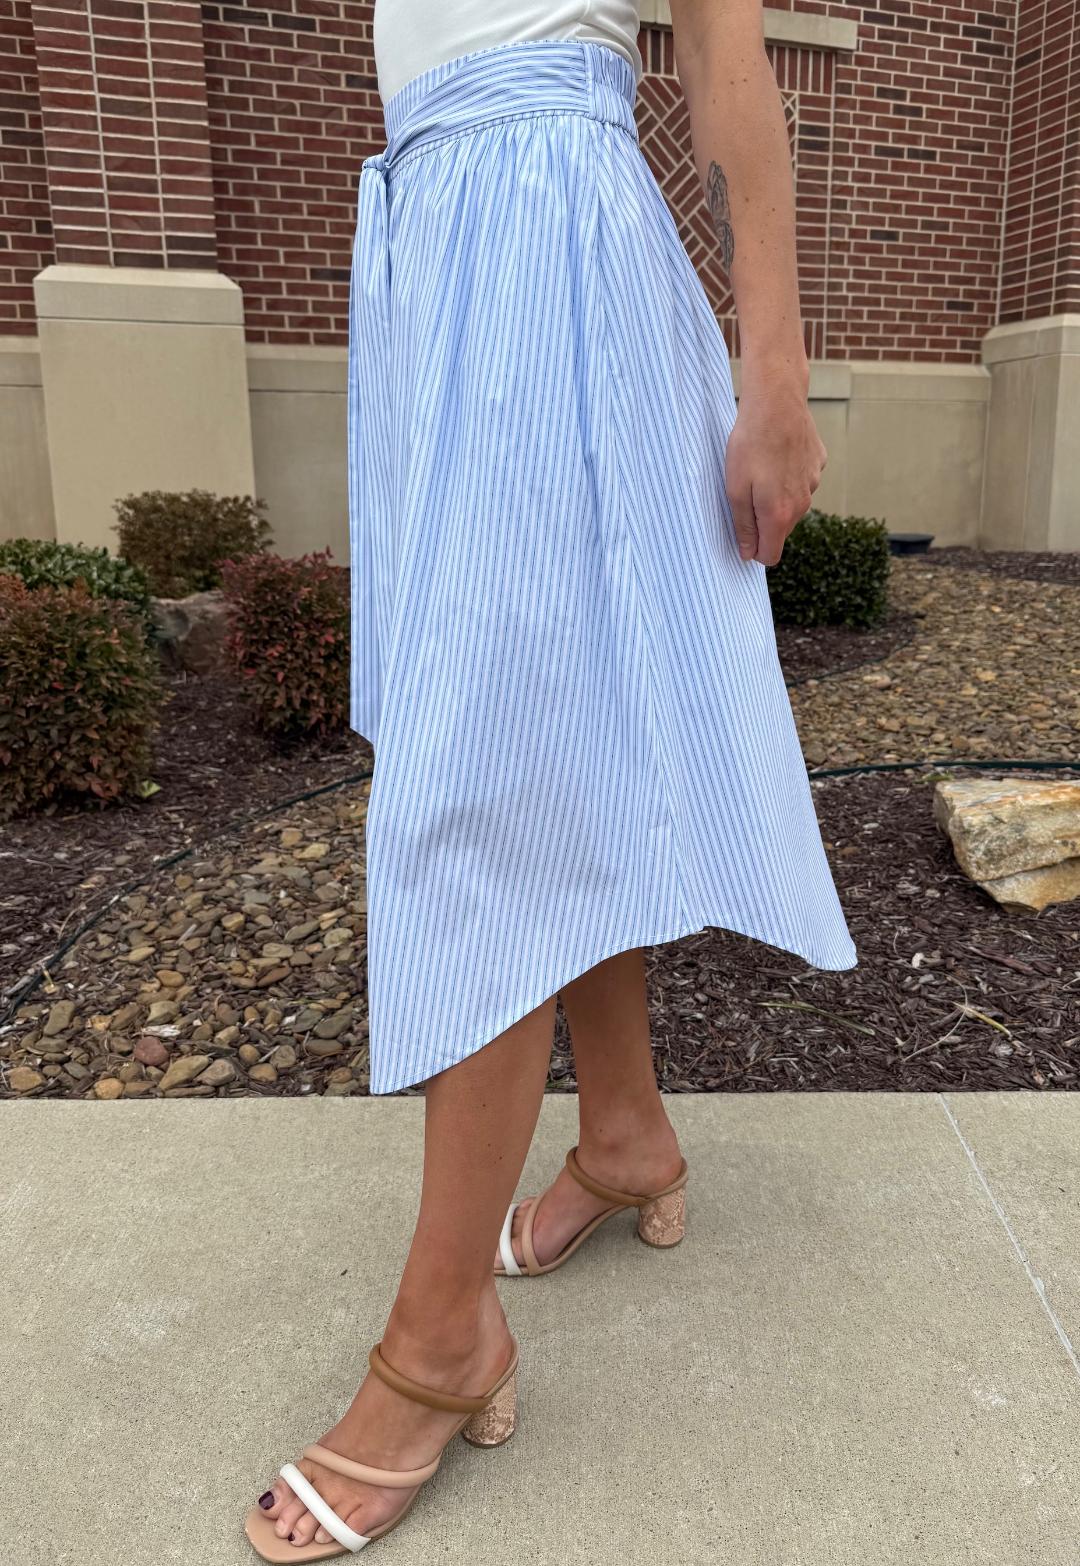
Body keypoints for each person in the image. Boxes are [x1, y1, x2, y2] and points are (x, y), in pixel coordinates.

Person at [245, 1, 856, 1556]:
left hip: (544, 256)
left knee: (484, 786)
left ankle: (444, 1330)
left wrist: (774, 376)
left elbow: (724, 58)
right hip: (436, 248)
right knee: (545, 746)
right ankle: (627, 1131)